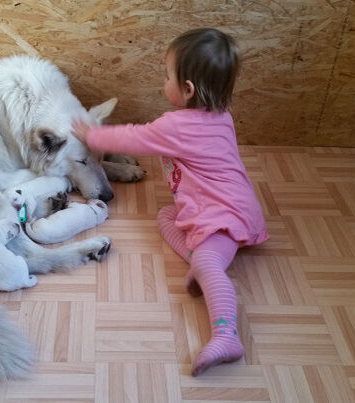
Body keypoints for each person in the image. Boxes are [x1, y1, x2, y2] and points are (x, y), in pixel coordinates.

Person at [72, 28, 269, 376]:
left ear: (188, 89)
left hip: (224, 215)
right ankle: (199, 261)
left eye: (167, 77)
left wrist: (92, 135)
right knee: (166, 216)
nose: (163, 83)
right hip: (218, 206)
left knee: (211, 264)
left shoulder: (178, 126)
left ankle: (227, 335)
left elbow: (135, 137)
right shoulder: (221, 114)